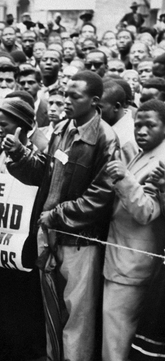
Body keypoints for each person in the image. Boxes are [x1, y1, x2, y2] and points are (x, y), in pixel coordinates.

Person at [3, 70, 119, 361]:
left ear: (94, 101)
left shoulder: (106, 137)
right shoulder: (61, 129)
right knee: (53, 313)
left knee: (77, 318)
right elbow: (43, 172)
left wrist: (57, 215)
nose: (66, 101)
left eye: (74, 96)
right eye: (65, 94)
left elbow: (102, 195)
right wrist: (19, 155)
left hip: (81, 242)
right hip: (49, 235)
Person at [102, 99, 165, 361]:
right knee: (116, 335)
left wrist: (123, 178)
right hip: (123, 258)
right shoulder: (142, 151)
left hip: (133, 262)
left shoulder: (161, 160)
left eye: (150, 125)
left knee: (116, 338)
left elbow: (147, 212)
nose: (141, 130)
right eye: (138, 125)